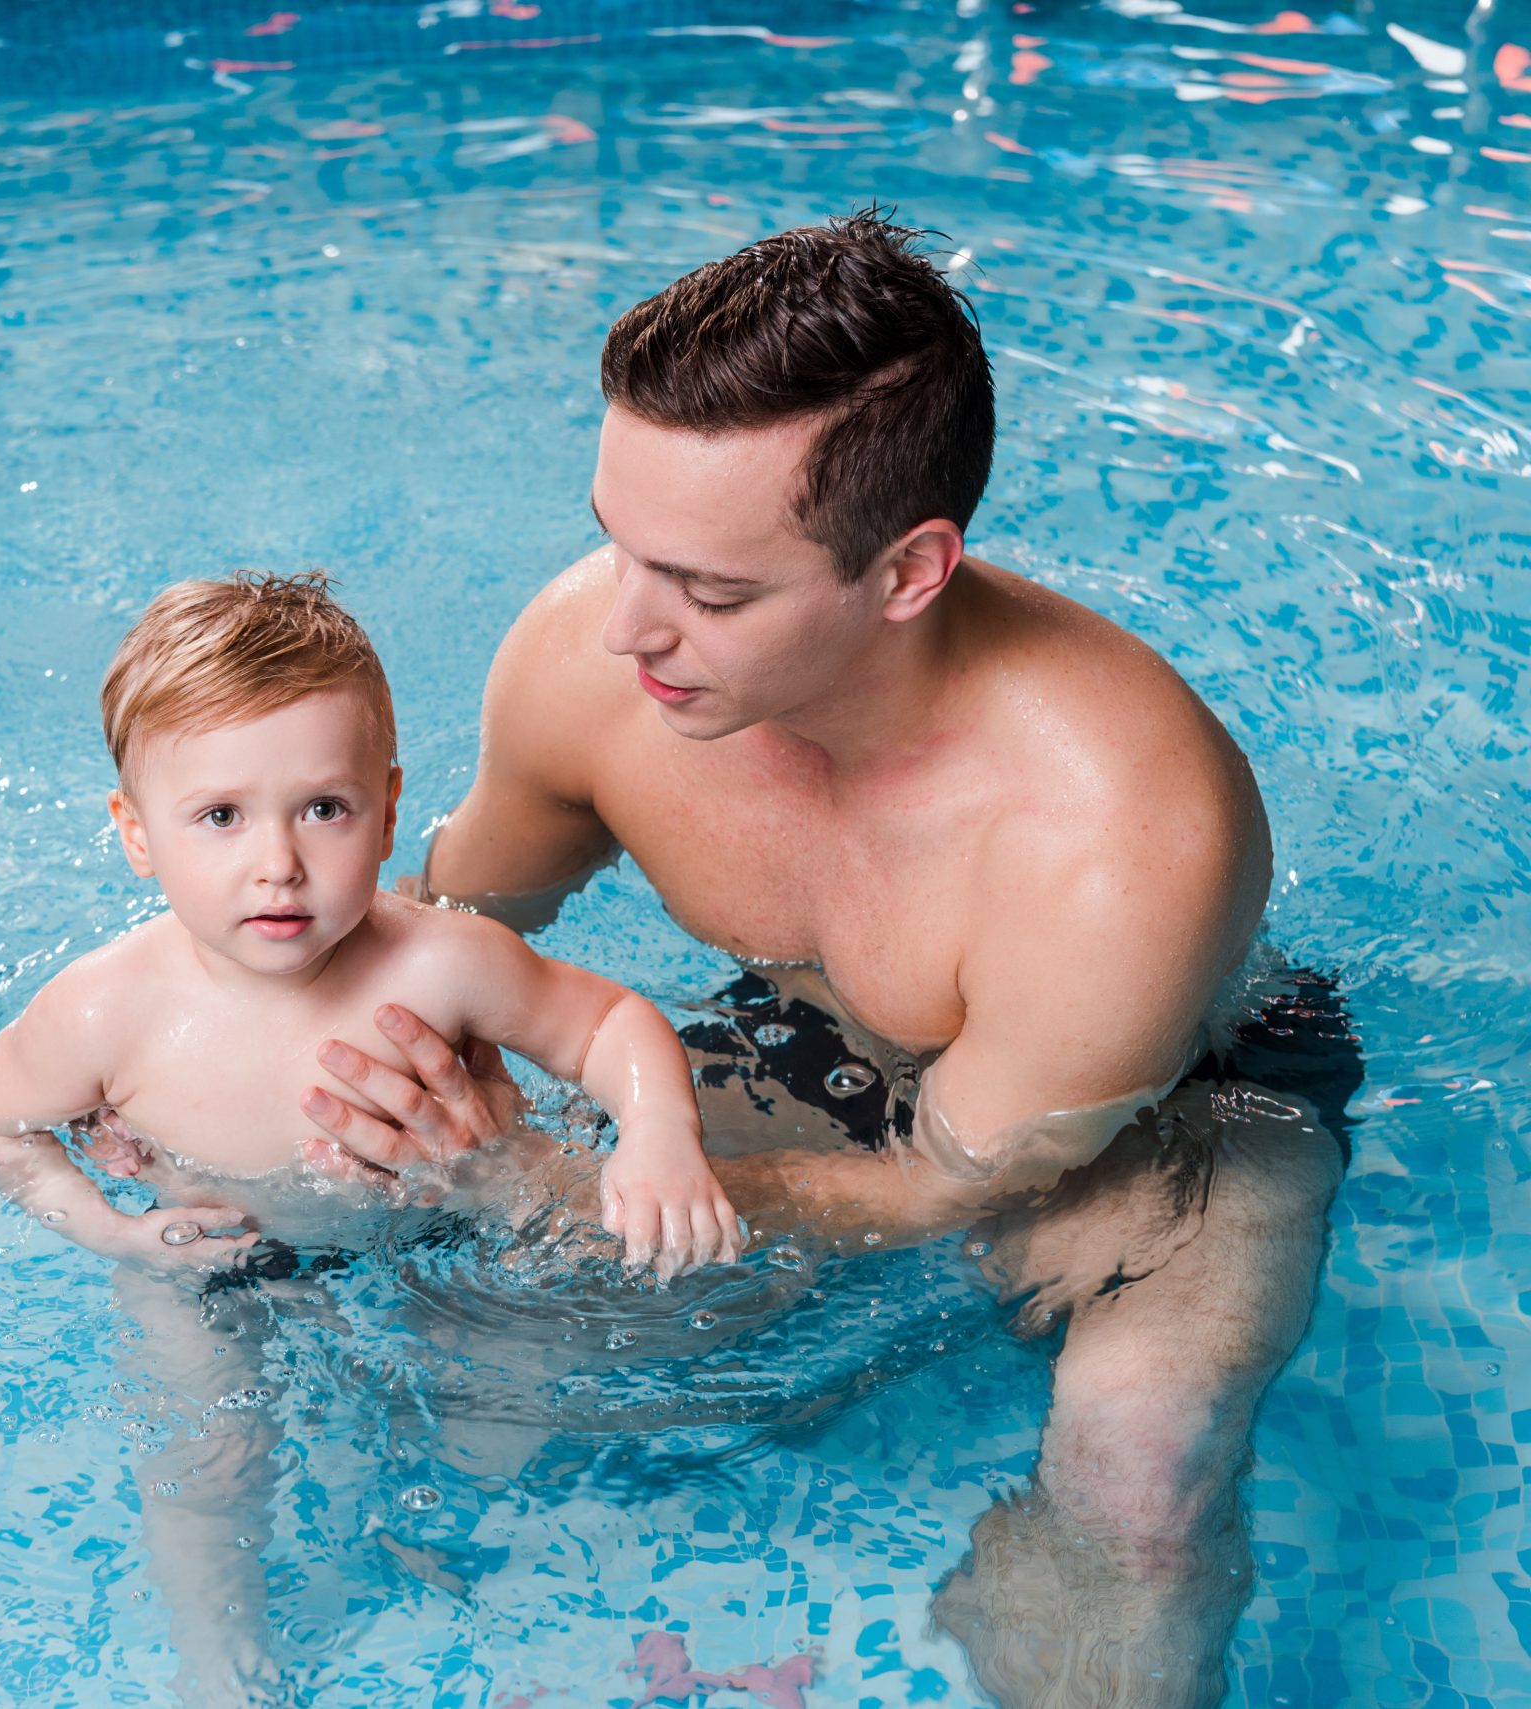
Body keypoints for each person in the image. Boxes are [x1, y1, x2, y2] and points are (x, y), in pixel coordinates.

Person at [289, 210, 1353, 1708]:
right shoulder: (584, 661)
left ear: (910, 572)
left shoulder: (1118, 839)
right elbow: (448, 930)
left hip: (1161, 1109)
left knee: (1140, 1481)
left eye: (711, 592)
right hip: (819, 1041)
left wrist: (553, 1188)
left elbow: (956, 1184)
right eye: (617, 543)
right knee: (459, 1343)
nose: (627, 630)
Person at [0, 570, 739, 1704]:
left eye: (323, 807)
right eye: (219, 815)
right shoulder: (105, 1009)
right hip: (207, 1262)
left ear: (389, 804)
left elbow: (608, 1020)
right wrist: (113, 1229)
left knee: (508, 1396)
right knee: (205, 1460)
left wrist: (656, 1136)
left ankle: (435, 1528)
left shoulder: (440, 962)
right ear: (135, 835)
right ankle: (212, 1641)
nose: (278, 861)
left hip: (427, 1233)